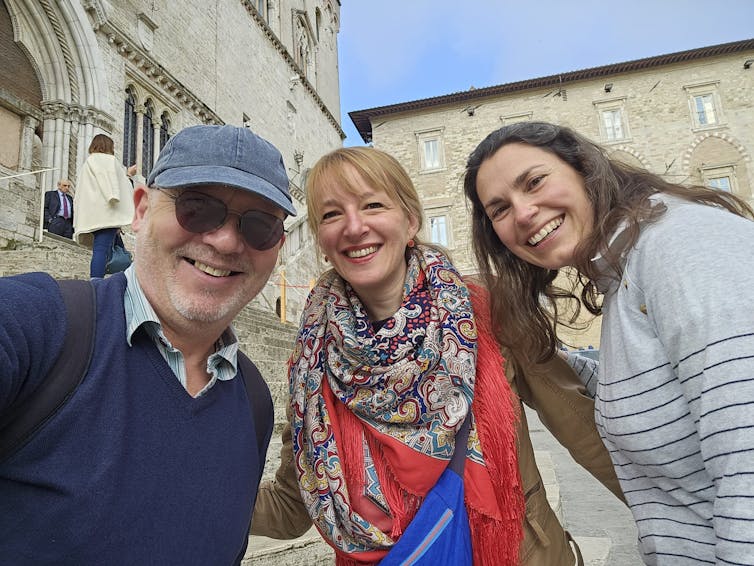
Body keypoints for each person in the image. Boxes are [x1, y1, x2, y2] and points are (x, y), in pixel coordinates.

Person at [251, 147, 623, 565]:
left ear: (410, 220)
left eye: (373, 205)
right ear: (320, 239)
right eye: (332, 215)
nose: (354, 227)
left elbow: (582, 428)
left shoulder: (485, 307)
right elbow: (291, 505)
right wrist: (179, 496)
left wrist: (676, 516)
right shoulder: (313, 358)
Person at [0, 124, 294, 564]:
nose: (226, 240)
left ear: (278, 247)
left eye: (260, 226)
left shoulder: (254, 400)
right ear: (139, 210)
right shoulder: (38, 325)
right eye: (197, 208)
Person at [463, 121, 754, 564]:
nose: (523, 213)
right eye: (500, 209)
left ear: (584, 168)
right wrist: (527, 350)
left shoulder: (679, 247)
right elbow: (662, 390)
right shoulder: (624, 270)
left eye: (535, 181)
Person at [73, 133, 135, 278]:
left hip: (93, 215)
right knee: (102, 249)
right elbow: (114, 187)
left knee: (103, 248)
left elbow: (82, 192)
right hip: (108, 213)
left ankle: (106, 279)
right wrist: (128, 175)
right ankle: (97, 281)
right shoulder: (110, 161)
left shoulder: (87, 163)